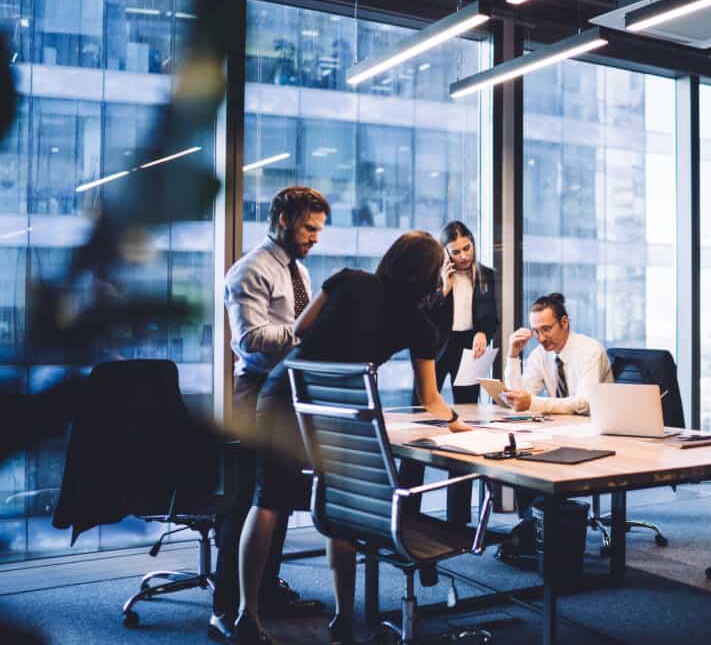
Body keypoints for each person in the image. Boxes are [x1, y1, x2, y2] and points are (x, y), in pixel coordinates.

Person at [234, 231, 472, 645]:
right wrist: (457, 422)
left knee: (266, 499)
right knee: (339, 506)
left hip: (285, 390)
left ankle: (246, 615)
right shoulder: (418, 323)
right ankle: (344, 618)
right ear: (430, 275)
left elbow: (301, 328)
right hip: (343, 408)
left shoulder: (350, 279)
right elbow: (430, 399)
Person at [213, 186, 329, 641]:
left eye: (318, 230)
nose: (315, 238)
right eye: (308, 228)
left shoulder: (298, 269)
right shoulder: (250, 271)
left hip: (289, 393)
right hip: (257, 394)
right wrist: (304, 333)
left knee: (277, 497)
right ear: (282, 220)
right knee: (248, 503)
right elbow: (250, 341)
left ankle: (264, 591)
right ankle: (226, 608)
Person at [498, 292, 613, 565]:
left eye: (546, 329)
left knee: (537, 461)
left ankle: (533, 531)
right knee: (521, 456)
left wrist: (533, 402)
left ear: (564, 322)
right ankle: (534, 528)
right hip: (562, 429)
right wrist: (513, 355)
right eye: (536, 331)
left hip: (596, 430)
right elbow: (520, 395)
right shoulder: (541, 355)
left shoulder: (589, 351)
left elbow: (583, 403)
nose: (541, 338)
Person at [427, 220, 499, 404]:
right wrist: (443, 290)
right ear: (445, 252)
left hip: (469, 346)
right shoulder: (432, 276)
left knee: (468, 405)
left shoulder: (486, 275)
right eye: (456, 252)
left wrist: (483, 333)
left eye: (467, 248)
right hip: (437, 345)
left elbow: (491, 316)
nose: (464, 256)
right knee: (424, 404)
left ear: (473, 243)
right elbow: (424, 315)